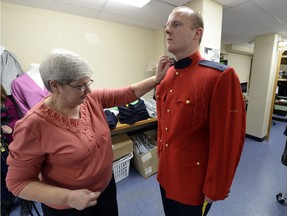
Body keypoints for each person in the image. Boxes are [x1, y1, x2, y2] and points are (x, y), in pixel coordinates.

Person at [6, 49, 172, 216]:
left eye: (88, 82)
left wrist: (156, 79)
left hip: (106, 189)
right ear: (55, 86)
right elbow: (18, 183)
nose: (89, 90)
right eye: (81, 86)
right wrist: (68, 197)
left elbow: (127, 93)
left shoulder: (90, 100)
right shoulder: (33, 126)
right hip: (70, 207)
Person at [155, 6, 246, 216]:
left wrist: (216, 187)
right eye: (167, 25)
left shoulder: (220, 76)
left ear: (197, 33)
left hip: (193, 184)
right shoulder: (167, 75)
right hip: (165, 174)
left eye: (176, 24)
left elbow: (227, 141)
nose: (167, 30)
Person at [1, 84, 32, 216]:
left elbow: (17, 120)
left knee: (15, 171)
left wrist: (10, 127)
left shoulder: (6, 101)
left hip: (8, 143)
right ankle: (6, 201)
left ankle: (25, 199)